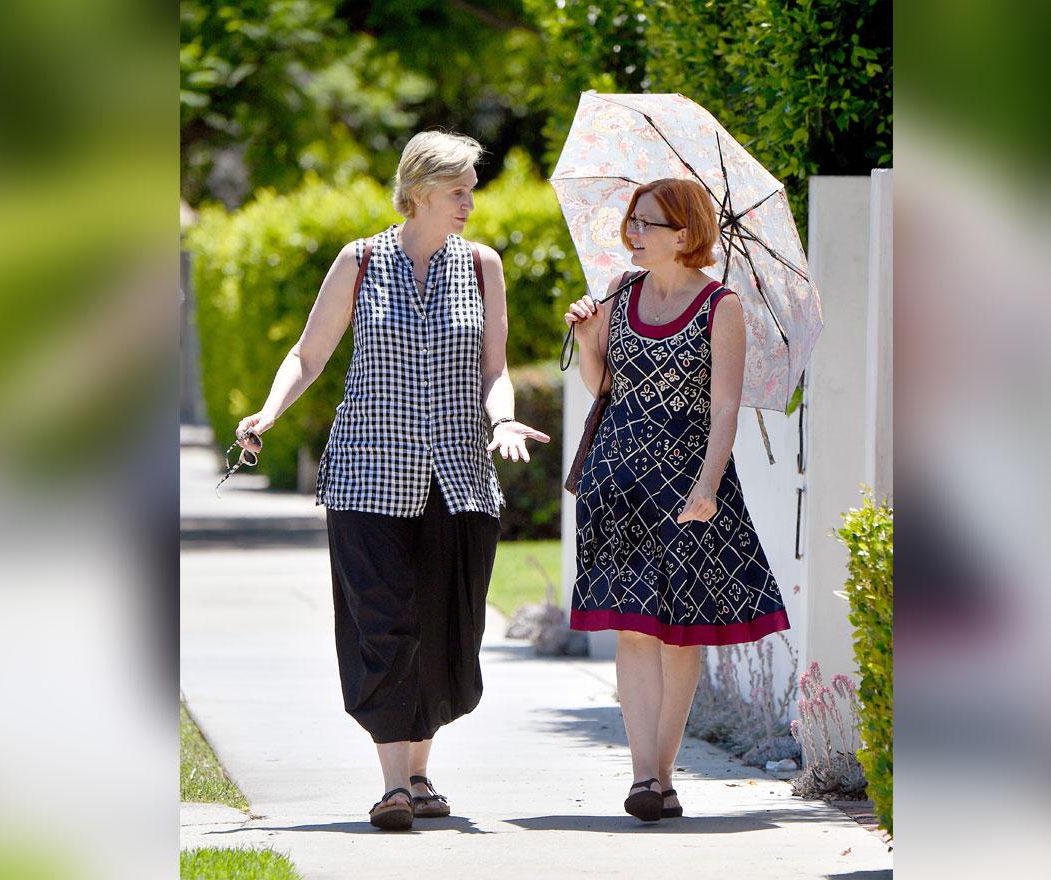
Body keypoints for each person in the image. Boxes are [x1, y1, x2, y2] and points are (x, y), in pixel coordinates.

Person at [235, 131, 550, 831]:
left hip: (460, 476)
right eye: (458, 189)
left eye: (472, 187)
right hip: (368, 475)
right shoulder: (361, 259)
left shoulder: (482, 266)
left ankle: (419, 770)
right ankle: (393, 786)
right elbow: (309, 352)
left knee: (444, 629)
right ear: (419, 193)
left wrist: (502, 421)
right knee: (383, 624)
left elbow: (494, 368)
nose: (471, 201)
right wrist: (269, 408)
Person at [563, 177, 790, 822]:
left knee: (679, 634)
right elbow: (602, 383)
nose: (632, 232)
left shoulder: (723, 308)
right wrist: (588, 341)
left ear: (686, 235)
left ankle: (663, 774)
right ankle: (643, 777)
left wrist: (709, 486)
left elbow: (725, 409)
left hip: (688, 483)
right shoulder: (621, 293)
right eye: (632, 221)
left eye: (648, 223)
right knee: (633, 629)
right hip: (619, 481)